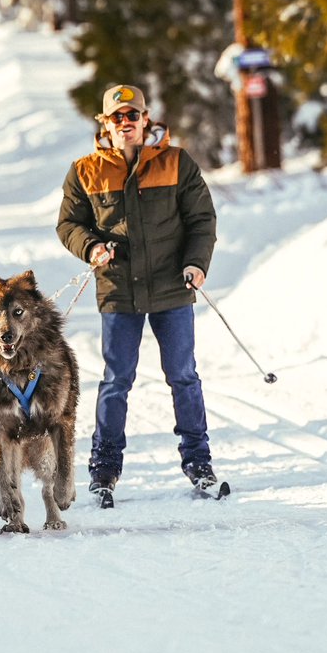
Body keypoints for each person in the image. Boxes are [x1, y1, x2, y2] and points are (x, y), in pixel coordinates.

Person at [56, 83, 218, 501]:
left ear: (146, 119)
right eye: (117, 117)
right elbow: (69, 225)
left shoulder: (177, 162)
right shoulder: (85, 171)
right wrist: (91, 246)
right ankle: (104, 468)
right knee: (116, 380)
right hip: (118, 291)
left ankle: (198, 462)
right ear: (105, 124)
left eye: (133, 116)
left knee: (183, 376)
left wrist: (196, 263)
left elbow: (202, 219)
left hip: (172, 287)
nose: (125, 124)